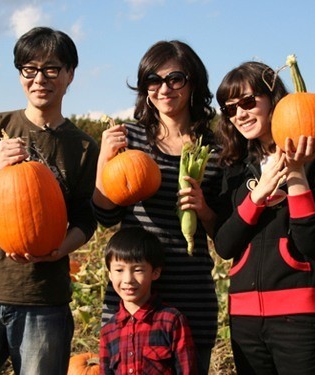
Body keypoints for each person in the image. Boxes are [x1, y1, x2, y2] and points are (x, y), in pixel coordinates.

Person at [0, 27, 99, 375]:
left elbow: (86, 220)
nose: (39, 78)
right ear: (20, 75)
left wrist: (59, 249)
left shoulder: (84, 146)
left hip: (45, 301)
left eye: (51, 69)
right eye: (29, 69)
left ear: (70, 74)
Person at [92, 40, 223, 374]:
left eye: (175, 79)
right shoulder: (129, 140)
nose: (164, 88)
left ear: (193, 83)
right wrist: (104, 162)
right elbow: (106, 216)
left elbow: (223, 234)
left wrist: (203, 208)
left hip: (191, 291)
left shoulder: (215, 150)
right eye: (153, 79)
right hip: (132, 291)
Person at [212, 61, 315, 374]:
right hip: (244, 319)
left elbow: (310, 240)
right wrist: (257, 196)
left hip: (298, 315)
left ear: (274, 99)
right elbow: (224, 245)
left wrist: (296, 173)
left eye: (248, 102)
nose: (240, 115)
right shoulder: (234, 168)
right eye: (231, 109)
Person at [99, 227, 198, 374]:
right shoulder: (108, 331)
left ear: (155, 272)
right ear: (110, 275)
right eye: (119, 270)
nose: (128, 280)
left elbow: (187, 371)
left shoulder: (171, 321)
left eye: (138, 270)